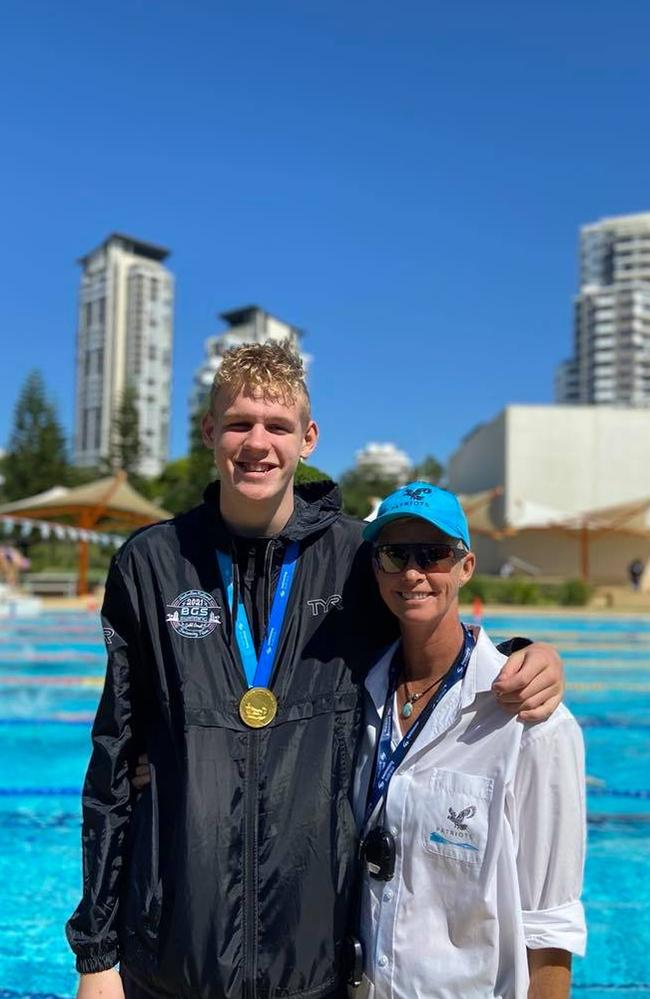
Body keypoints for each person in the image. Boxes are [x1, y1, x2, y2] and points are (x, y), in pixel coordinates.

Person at [66, 342, 565, 999]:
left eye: (277, 425)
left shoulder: (356, 559)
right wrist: (97, 956)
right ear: (211, 432)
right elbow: (112, 763)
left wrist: (530, 651)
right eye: (240, 422)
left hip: (311, 958)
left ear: (308, 438)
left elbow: (435, 634)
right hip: (171, 954)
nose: (257, 442)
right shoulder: (151, 563)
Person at [353, 483, 586, 998]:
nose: (413, 572)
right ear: (377, 568)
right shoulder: (356, 700)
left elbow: (550, 925)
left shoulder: (533, 723)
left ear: (466, 567)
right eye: (395, 554)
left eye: (433, 554)